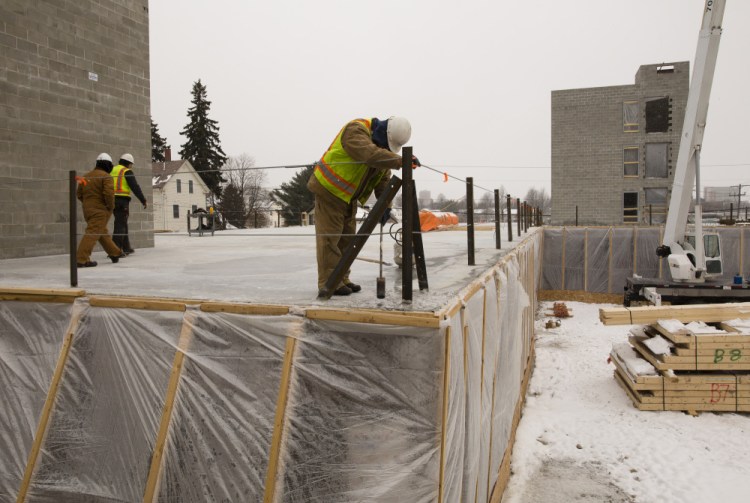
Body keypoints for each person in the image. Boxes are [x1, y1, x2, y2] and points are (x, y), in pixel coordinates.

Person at [308, 116, 417, 297]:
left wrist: (385, 206)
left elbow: (383, 179)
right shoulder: (356, 130)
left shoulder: (380, 148)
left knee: (347, 240)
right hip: (329, 190)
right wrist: (400, 160)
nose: (386, 149)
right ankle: (329, 282)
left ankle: (341, 278)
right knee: (330, 239)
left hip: (348, 197)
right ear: (383, 132)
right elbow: (369, 154)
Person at [76, 153, 123, 267]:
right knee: (92, 233)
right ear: (107, 165)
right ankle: (81, 259)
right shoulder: (106, 177)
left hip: (87, 210)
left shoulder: (85, 176)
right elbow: (109, 194)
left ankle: (114, 253)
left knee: (101, 232)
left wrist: (88, 204)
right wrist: (110, 207)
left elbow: (79, 194)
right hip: (100, 211)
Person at [111, 153, 147, 254]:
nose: (131, 166)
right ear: (128, 163)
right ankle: (115, 251)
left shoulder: (112, 170)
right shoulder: (126, 171)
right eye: (131, 164)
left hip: (111, 200)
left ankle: (126, 248)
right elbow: (135, 187)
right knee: (120, 225)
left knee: (122, 223)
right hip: (122, 201)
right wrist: (143, 200)